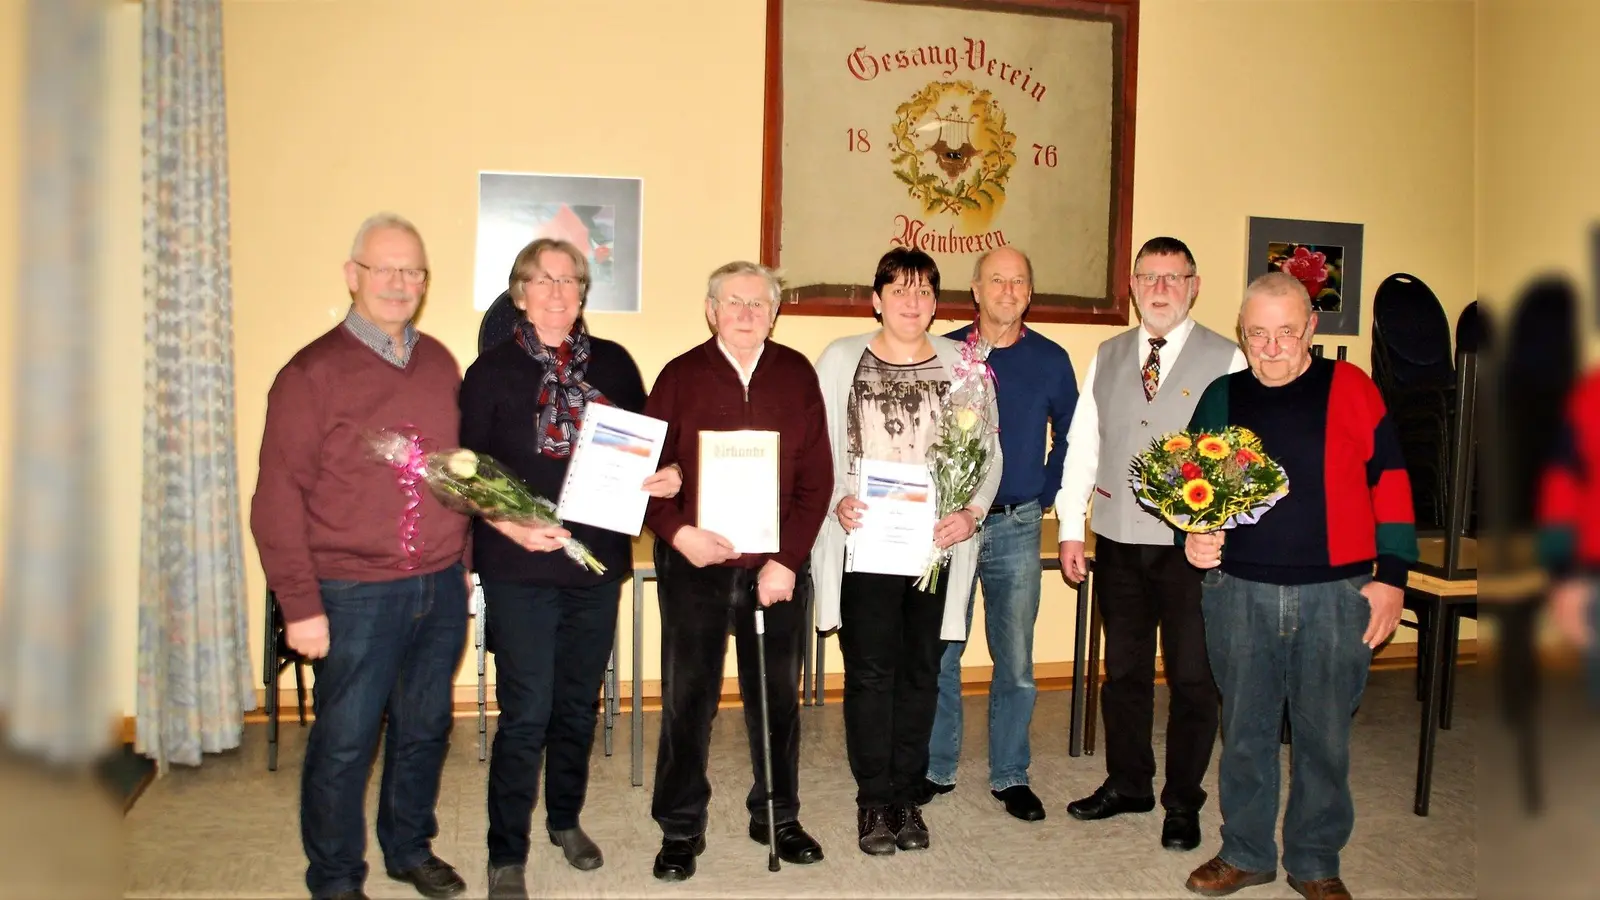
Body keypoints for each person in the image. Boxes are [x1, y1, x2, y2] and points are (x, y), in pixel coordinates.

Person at [250, 213, 471, 900]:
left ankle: (408, 848)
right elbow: (276, 500)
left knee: (424, 730)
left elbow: (455, 476)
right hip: (352, 594)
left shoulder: (439, 363)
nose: (401, 283)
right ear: (353, 276)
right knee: (344, 744)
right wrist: (300, 605)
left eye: (414, 271)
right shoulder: (310, 374)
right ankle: (337, 877)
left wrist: (460, 566)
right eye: (386, 269)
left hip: (437, 586)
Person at [1181, 271, 1417, 900]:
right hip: (1238, 592)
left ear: (1312, 326)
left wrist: (1392, 577)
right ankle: (1246, 853)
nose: (1273, 346)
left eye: (1287, 331)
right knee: (1246, 733)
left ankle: (1315, 861)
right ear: (1242, 333)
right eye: (1258, 334)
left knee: (1324, 737)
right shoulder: (1220, 397)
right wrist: (1195, 535)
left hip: (1338, 595)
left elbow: (1391, 483)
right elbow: (1196, 491)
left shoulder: (1354, 390)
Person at [458, 238, 681, 899]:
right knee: (526, 712)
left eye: (571, 281)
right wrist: (506, 522)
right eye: (544, 280)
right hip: (519, 567)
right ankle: (506, 852)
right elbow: (467, 475)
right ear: (520, 292)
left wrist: (662, 478)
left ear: (584, 294)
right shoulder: (490, 372)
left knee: (579, 707)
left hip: (595, 565)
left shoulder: (613, 363)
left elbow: (644, 451)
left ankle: (564, 819)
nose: (558, 293)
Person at [642, 261, 833, 882]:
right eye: (734, 302)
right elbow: (649, 478)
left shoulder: (797, 375)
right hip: (695, 564)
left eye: (759, 304)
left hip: (773, 572)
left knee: (776, 700)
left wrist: (787, 562)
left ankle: (775, 814)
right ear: (710, 309)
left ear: (775, 314)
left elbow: (817, 480)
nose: (747, 314)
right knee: (687, 699)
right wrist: (678, 533)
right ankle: (680, 825)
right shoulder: (679, 376)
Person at [1055, 236, 1246, 851]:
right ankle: (1129, 782)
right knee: (1125, 672)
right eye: (1148, 277)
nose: (1160, 288)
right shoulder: (1107, 355)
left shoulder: (1228, 359)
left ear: (1194, 286)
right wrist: (1068, 527)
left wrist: (1219, 533)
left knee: (1193, 677)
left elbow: (1241, 463)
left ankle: (1183, 802)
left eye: (1173, 277)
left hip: (1189, 549)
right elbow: (1083, 445)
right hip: (1116, 540)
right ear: (1133, 287)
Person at [812, 247, 1003, 856]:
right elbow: (815, 451)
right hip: (867, 543)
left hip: (934, 549)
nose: (912, 302)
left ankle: (906, 797)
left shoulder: (964, 364)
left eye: (923, 291)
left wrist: (970, 512)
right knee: (871, 674)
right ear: (877, 299)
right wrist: (836, 501)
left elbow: (989, 453)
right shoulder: (842, 359)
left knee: (923, 673)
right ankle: (873, 802)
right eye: (899, 290)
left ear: (936, 302)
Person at [922, 246, 1078, 821]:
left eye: (1018, 282)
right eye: (997, 281)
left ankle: (1010, 774)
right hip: (953, 525)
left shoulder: (1052, 360)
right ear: (976, 288)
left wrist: (1046, 493)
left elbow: (1071, 436)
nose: (1007, 291)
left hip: (1015, 523)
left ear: (1029, 293)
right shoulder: (945, 354)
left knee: (1014, 660)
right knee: (944, 651)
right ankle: (937, 768)